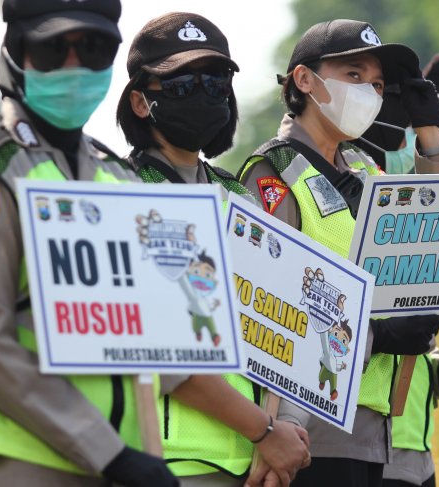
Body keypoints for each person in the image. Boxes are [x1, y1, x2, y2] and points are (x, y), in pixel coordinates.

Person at [237, 19, 439, 487]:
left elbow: (435, 230)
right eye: (354, 76)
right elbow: (269, 312)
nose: (369, 93)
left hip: (378, 428)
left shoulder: (364, 167)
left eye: (377, 84)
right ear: (304, 80)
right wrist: (376, 335)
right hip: (311, 431)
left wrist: (431, 135)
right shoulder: (272, 174)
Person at [0, 1, 177, 486]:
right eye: (51, 49)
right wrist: (107, 452)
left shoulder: (120, 177)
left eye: (93, 48)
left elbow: (160, 339)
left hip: (127, 464)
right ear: (16, 54)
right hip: (26, 462)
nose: (74, 66)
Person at [115, 12, 311, 487]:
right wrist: (265, 431)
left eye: (216, 78)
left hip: (255, 467)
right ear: (140, 102)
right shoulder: (121, 193)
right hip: (166, 465)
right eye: (181, 82)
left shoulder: (241, 197)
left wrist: (285, 436)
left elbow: (288, 331)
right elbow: (160, 352)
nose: (204, 91)